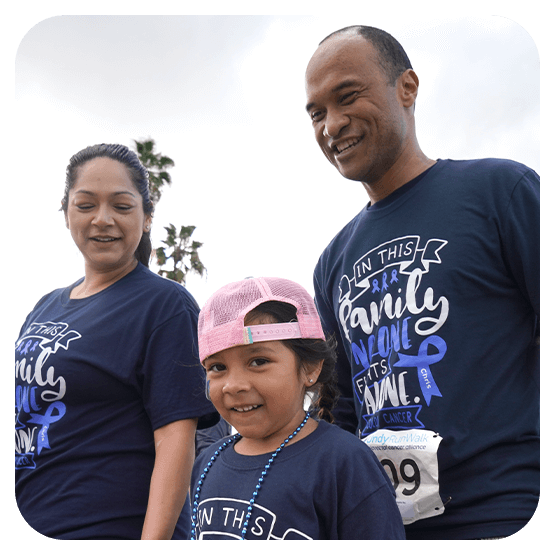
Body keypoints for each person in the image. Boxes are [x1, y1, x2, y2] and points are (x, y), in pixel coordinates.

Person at [305, 26, 539, 540]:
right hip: (382, 525)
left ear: (406, 87)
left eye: (347, 97)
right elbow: (343, 407)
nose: (332, 125)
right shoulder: (332, 262)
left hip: (502, 512)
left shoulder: (501, 192)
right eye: (317, 113)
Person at [15, 143, 219, 539]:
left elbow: (176, 446)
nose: (102, 220)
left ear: (146, 218)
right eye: (86, 204)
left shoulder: (165, 306)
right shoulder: (44, 307)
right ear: (66, 211)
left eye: (122, 206)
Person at [190, 277, 405, 540]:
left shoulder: (344, 463)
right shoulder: (205, 464)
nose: (233, 386)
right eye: (217, 367)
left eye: (258, 361)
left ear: (311, 367)